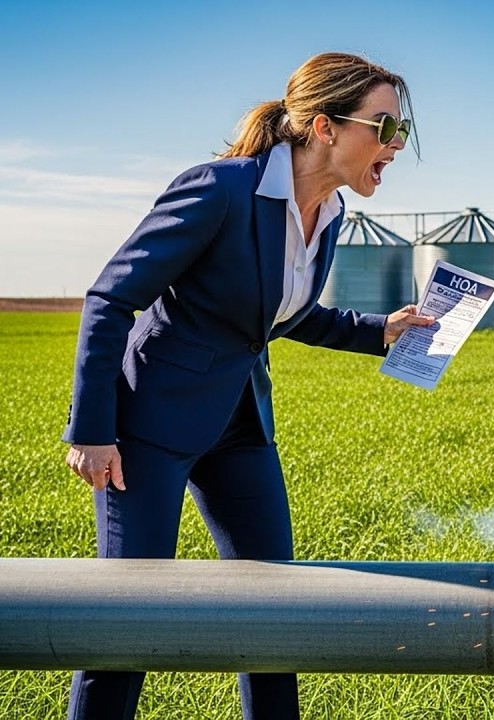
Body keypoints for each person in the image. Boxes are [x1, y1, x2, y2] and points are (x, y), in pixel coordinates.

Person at [61, 51, 434, 720]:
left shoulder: (331, 213)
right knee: (126, 619)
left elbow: (282, 315)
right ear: (325, 127)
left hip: (241, 426)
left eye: (403, 130)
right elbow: (110, 301)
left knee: (274, 609)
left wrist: (381, 328)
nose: (397, 145)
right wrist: (92, 430)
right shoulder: (220, 189)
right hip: (147, 428)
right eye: (384, 127)